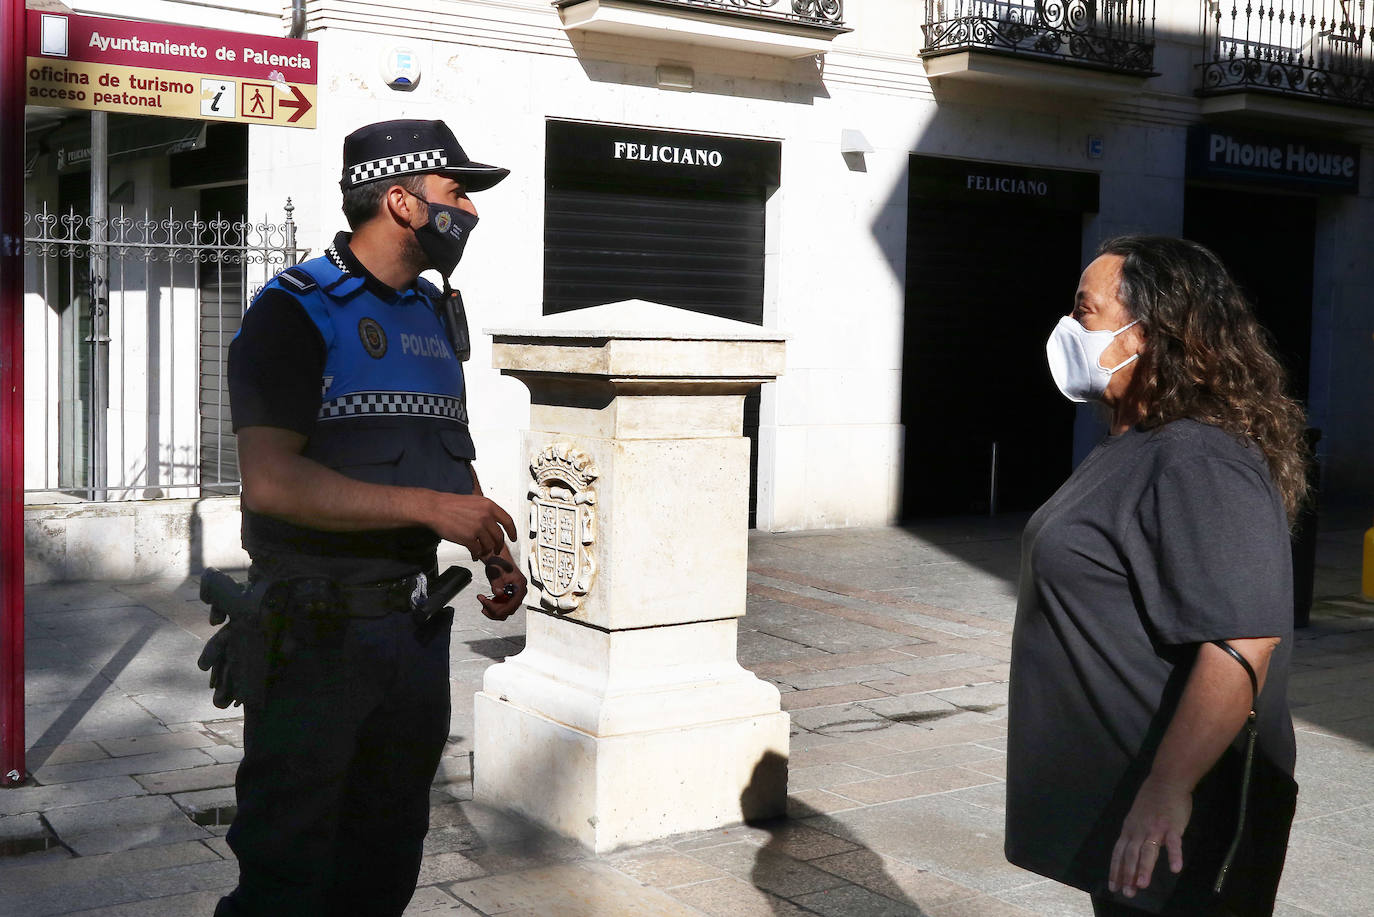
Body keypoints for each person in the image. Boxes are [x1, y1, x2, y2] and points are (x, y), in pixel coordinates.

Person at [209, 119, 528, 917]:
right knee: (287, 871)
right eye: (457, 193)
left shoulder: (429, 313)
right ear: (401, 201)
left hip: (412, 636)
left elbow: (441, 445)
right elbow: (271, 484)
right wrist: (431, 508)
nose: (472, 212)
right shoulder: (294, 311)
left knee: (385, 860)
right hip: (317, 636)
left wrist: (485, 536)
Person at [1005, 235, 1307, 917]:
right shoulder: (1134, 441)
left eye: (1086, 312)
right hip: (1124, 800)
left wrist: (1166, 789)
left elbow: (1242, 643)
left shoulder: (1200, 456)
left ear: (1154, 330)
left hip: (1177, 825)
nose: (1070, 329)